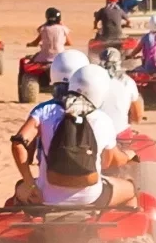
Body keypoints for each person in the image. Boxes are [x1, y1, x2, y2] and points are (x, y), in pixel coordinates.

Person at [10, 88, 139, 211]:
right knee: (130, 190)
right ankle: (125, 233)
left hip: (44, 198)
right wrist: (129, 155)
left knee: (18, 191)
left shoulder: (45, 111)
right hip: (91, 198)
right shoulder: (102, 119)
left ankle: (14, 230)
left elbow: (18, 144)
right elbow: (108, 162)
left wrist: (30, 183)